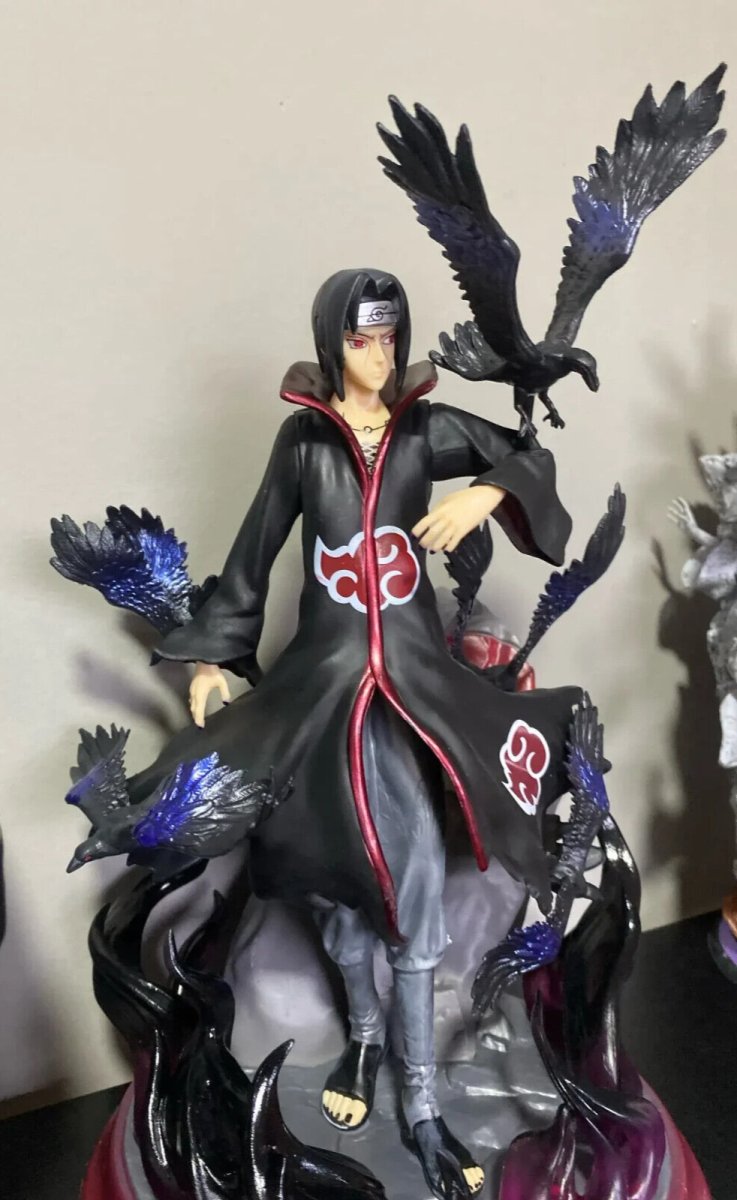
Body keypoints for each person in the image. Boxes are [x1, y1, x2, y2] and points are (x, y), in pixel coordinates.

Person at [129, 267, 581, 1197]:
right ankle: (364, 1043)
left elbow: (524, 455)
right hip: (321, 695)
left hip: (410, 696)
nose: (376, 355)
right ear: (330, 340)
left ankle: (421, 1106)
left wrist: (486, 494)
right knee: (328, 892)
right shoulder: (303, 441)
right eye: (358, 338)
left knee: (413, 897)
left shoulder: (422, 428)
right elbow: (253, 550)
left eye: (387, 337)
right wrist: (212, 657)